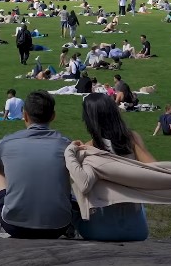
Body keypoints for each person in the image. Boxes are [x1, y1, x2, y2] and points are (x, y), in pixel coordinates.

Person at [0, 91, 73, 238]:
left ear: (25, 115)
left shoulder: (8, 142)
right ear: (53, 116)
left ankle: (13, 210)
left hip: (14, 225)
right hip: (59, 225)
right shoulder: (66, 144)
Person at [64, 93, 154, 241]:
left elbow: (84, 184)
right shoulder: (132, 139)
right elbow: (155, 169)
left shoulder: (89, 149)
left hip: (99, 232)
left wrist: (71, 151)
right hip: (137, 230)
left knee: (71, 200)